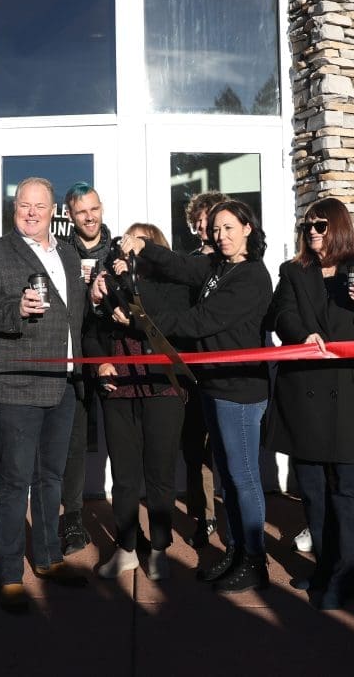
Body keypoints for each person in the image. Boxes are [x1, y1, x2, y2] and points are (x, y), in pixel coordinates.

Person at [116, 199, 272, 593]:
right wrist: (144, 247)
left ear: (248, 228)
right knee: (229, 481)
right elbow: (181, 266)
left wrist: (145, 320)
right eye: (216, 229)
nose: (221, 236)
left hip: (240, 390)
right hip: (214, 386)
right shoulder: (218, 266)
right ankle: (236, 551)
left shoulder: (251, 276)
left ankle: (255, 560)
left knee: (243, 479)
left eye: (229, 228)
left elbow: (202, 322)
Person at [0, 176, 89, 612]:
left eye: (39, 206)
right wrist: (13, 309)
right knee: (15, 483)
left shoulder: (68, 254)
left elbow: (76, 313)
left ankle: (49, 558)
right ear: (14, 209)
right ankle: (11, 573)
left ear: (52, 210)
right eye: (23, 206)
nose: (31, 213)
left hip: (65, 380)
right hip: (15, 381)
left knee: (51, 478)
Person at [266, 198, 354, 609]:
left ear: (338, 227)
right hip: (304, 392)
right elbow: (279, 316)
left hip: (347, 393)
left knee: (349, 489)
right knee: (313, 491)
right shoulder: (293, 270)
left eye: (321, 225)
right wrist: (302, 334)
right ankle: (324, 566)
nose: (313, 232)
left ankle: (348, 573)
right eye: (308, 226)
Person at [87, 223, 190, 580]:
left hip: (162, 388)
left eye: (137, 244)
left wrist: (132, 287)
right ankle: (126, 547)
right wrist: (100, 360)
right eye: (126, 243)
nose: (127, 250)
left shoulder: (171, 286)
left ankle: (160, 549)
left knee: (160, 474)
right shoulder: (109, 282)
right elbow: (91, 329)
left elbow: (168, 323)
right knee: (125, 476)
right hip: (120, 388)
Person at [58, 182, 111, 555]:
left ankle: (124, 518)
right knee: (74, 443)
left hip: (114, 357)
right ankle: (72, 518)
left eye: (93, 209)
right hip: (73, 358)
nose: (89, 217)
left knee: (121, 439)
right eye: (81, 212)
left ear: (101, 208)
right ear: (70, 215)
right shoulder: (60, 253)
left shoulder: (120, 249)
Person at [180, 190, 228, 547]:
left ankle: (232, 517)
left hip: (228, 371)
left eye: (207, 223)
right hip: (193, 372)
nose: (202, 231)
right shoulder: (190, 263)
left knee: (226, 451)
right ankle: (205, 516)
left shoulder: (238, 264)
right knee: (195, 450)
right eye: (197, 225)